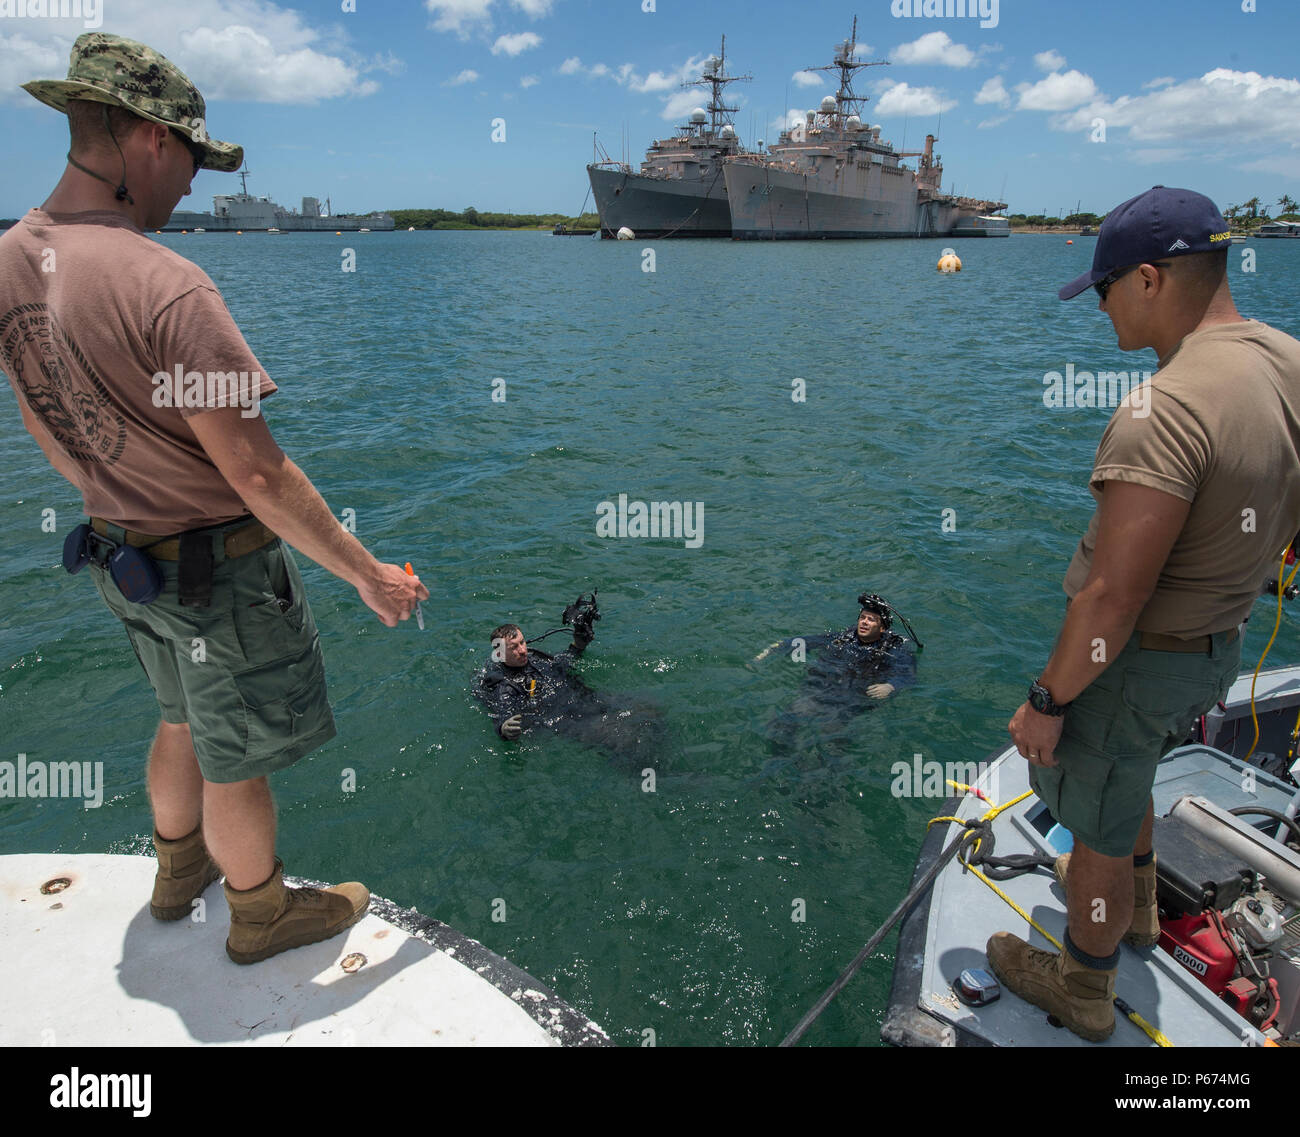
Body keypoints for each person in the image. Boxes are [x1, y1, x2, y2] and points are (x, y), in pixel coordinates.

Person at [0, 34, 427, 965]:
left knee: (181, 715)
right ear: (150, 138)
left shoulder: (11, 257)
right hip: (213, 572)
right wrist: (368, 575)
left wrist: (118, 492)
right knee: (237, 754)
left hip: (120, 556)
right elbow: (258, 475)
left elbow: (44, 420)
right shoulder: (165, 284)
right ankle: (261, 911)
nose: (193, 182)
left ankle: (175, 872)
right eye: (193, 156)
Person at [988, 185, 1300, 1042]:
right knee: (1132, 776)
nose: (1099, 305)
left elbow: (1113, 597)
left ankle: (1083, 982)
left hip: (1135, 662)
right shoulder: (1286, 360)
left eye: (1105, 286)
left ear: (1151, 279)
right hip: (1214, 648)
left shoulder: (1162, 410)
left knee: (1093, 815)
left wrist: (1046, 700)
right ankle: (1137, 911)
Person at [473, 597, 662, 768]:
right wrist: (504, 728)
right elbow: (503, 710)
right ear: (499, 654)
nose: (522, 650)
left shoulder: (535, 658)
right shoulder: (504, 685)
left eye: (522, 642)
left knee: (649, 709)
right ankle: (650, 774)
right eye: (514, 647)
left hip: (583, 699)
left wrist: (579, 644)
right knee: (624, 739)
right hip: (566, 718)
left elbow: (560, 663)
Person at [756, 593, 917, 759]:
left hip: (849, 701)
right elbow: (808, 641)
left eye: (871, 619)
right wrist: (777, 647)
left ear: (882, 628)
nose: (864, 622)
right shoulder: (845, 638)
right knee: (786, 720)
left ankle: (829, 771)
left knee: (832, 740)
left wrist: (890, 686)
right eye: (862, 617)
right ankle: (779, 760)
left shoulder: (894, 649)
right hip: (823, 692)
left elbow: (908, 674)